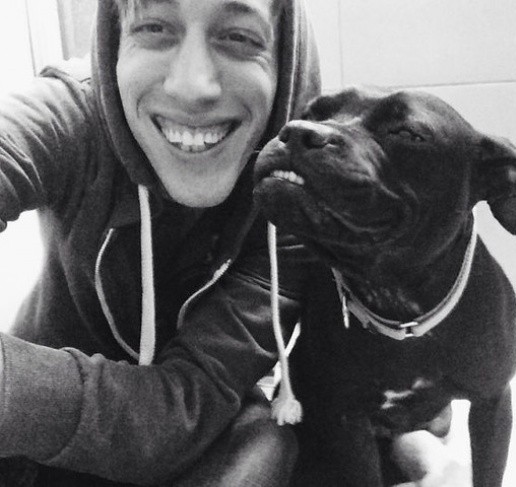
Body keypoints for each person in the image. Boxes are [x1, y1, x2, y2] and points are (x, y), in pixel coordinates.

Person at [0, 0, 320, 485]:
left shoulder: (289, 209)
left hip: (184, 448)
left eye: (239, 37)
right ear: (114, 45)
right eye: (153, 27)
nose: (192, 86)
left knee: (266, 442)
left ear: (286, 64)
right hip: (28, 451)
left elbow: (185, 410)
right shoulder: (69, 114)